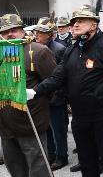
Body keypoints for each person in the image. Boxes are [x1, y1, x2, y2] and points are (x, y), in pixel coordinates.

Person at [29, 4, 103, 177]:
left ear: (94, 25)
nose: (75, 25)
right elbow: (57, 77)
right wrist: (35, 91)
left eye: (80, 21)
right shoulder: (71, 50)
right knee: (87, 163)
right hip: (80, 118)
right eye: (74, 22)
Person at [0, 14, 56, 177]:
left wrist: (36, 100)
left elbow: (54, 83)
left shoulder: (39, 51)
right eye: (5, 32)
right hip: (4, 125)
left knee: (38, 168)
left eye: (14, 30)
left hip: (29, 123)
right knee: (15, 168)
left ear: (22, 30)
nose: (9, 34)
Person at [33, 17, 69, 171]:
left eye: (40, 32)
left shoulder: (59, 49)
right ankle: (51, 154)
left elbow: (63, 76)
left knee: (58, 129)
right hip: (43, 95)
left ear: (49, 34)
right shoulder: (35, 48)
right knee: (46, 128)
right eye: (36, 32)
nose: (36, 35)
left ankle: (62, 157)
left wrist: (61, 97)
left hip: (56, 96)